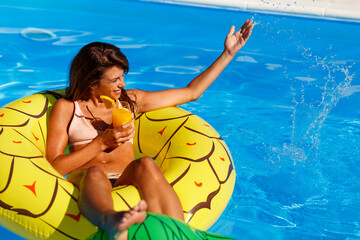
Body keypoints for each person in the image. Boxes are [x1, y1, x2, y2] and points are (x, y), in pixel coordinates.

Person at [46, 19, 253, 239]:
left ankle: (178, 232)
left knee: (144, 163)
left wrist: (228, 54)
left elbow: (191, 92)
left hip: (125, 177)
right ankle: (113, 223)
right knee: (94, 172)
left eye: (123, 76)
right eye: (115, 80)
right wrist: (102, 143)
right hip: (88, 179)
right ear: (91, 82)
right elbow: (55, 166)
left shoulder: (130, 101)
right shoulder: (68, 108)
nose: (122, 85)